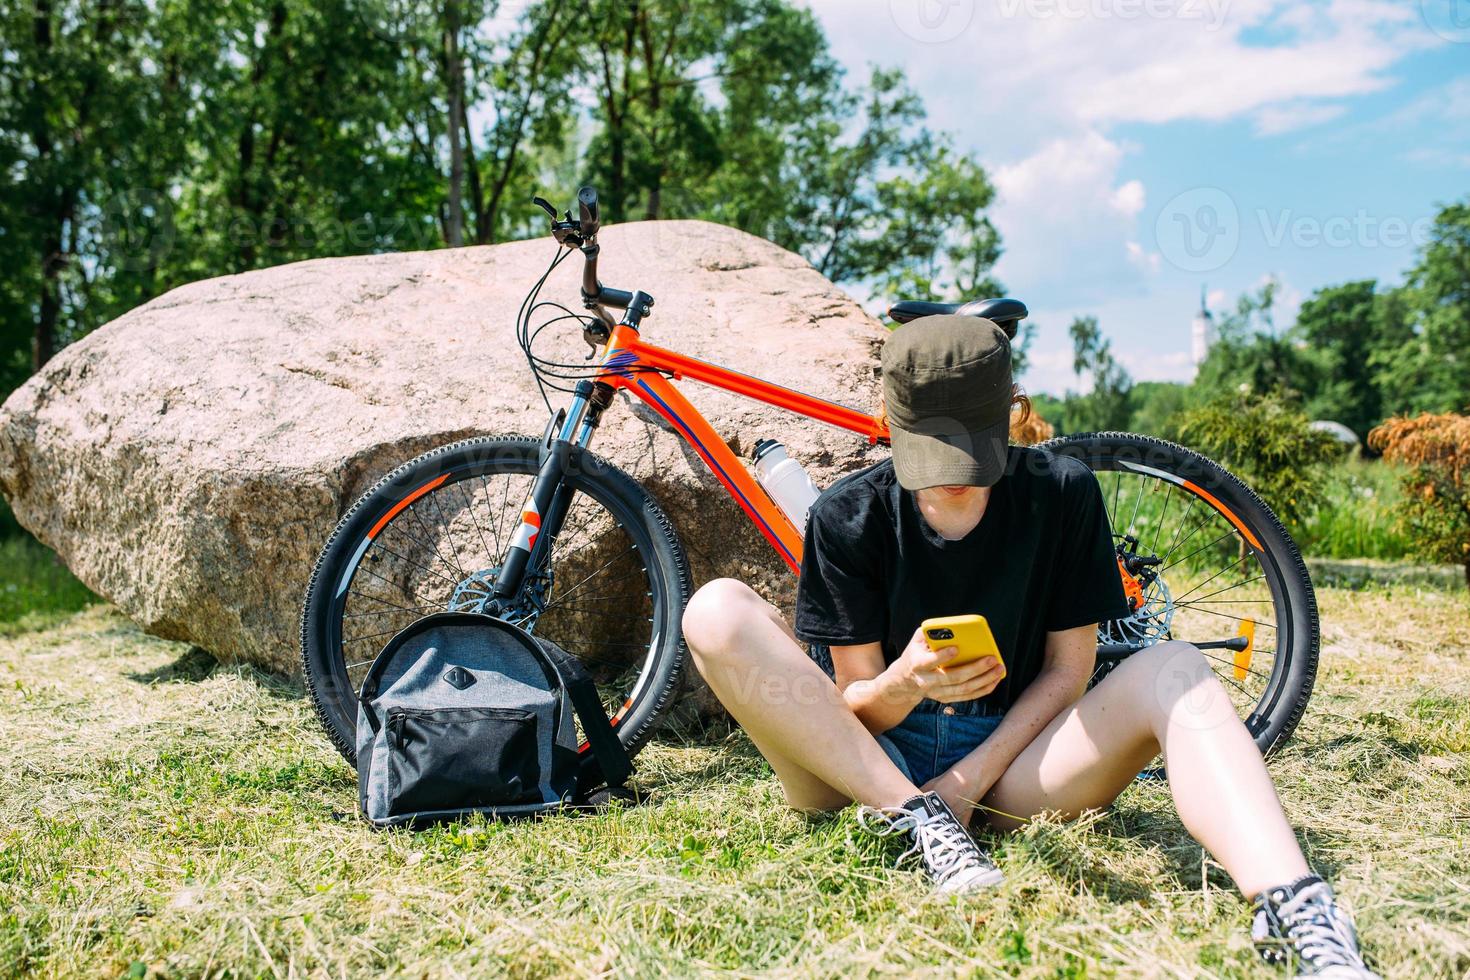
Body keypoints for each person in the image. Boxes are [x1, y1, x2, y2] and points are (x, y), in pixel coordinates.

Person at [682, 315, 1377, 978]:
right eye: (930, 452)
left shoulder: (1062, 492)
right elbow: (852, 705)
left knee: (1178, 667)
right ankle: (916, 820)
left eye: (972, 449)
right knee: (715, 611)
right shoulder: (849, 515)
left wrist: (967, 782)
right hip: (863, 772)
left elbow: (1069, 672)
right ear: (888, 425)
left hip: (1015, 765)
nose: (953, 473)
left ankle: (1298, 910)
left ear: (1011, 414)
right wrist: (906, 683)